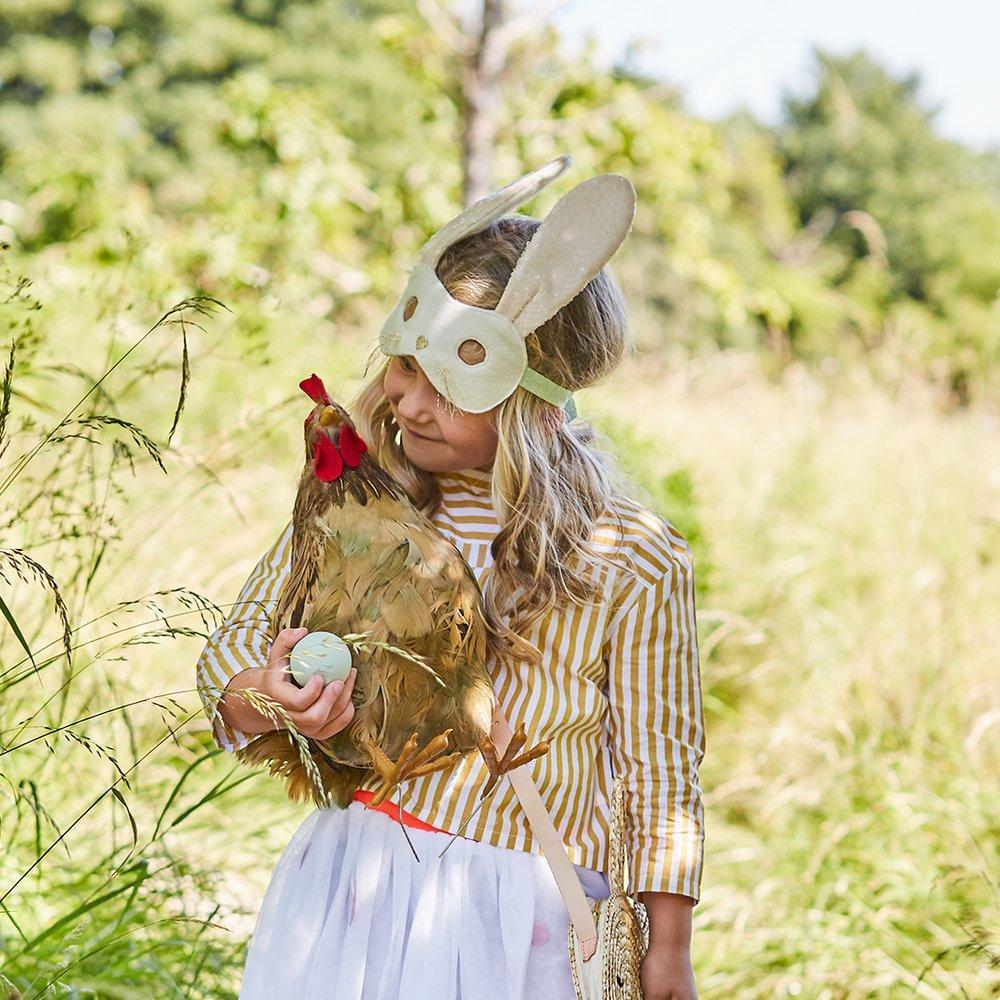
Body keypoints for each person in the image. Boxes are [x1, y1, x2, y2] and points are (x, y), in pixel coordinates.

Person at [195, 160, 705, 1000]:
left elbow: (658, 768)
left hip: (516, 919)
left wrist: (669, 945)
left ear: (534, 405)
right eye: (404, 369)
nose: (410, 405)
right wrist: (265, 694)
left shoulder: (630, 556)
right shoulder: (358, 503)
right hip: (353, 894)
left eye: (451, 387)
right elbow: (234, 654)